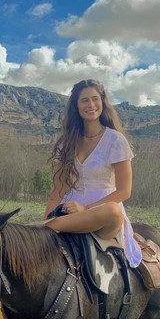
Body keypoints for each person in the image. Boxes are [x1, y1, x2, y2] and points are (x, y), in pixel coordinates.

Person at [43, 79, 142, 268]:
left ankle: (50, 227)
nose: (91, 105)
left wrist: (85, 209)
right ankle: (47, 226)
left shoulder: (115, 140)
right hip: (69, 211)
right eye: (84, 100)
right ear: (77, 106)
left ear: (102, 103)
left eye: (95, 99)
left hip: (102, 213)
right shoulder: (67, 141)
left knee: (113, 210)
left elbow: (124, 191)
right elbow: (59, 188)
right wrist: (47, 216)